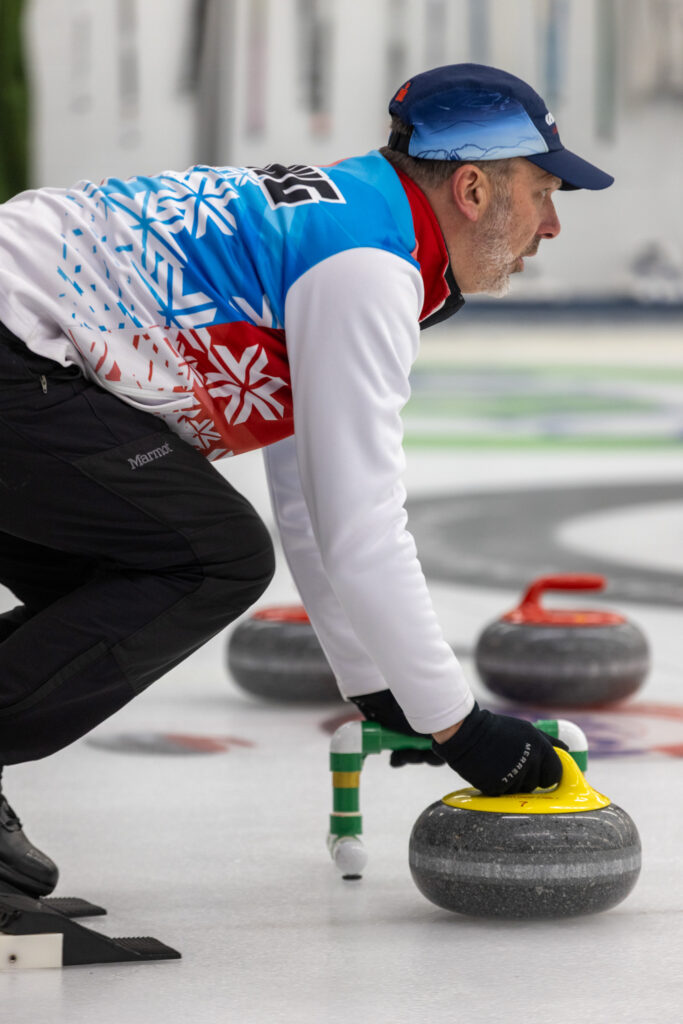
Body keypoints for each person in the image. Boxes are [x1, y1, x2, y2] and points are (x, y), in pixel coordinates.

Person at [0, 63, 613, 898]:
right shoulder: (368, 263)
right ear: (472, 188)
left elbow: (311, 501)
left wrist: (376, 688)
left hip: (24, 343)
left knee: (114, 583)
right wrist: (458, 727)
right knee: (208, 558)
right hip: (18, 347)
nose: (550, 226)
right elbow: (362, 530)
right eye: (541, 191)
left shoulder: (354, 221)